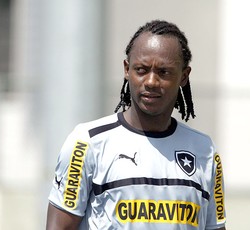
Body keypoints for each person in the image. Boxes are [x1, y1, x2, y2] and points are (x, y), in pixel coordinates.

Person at [46, 20, 226, 230]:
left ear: (184, 76)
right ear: (126, 69)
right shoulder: (87, 143)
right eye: (141, 69)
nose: (151, 81)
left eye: (164, 72)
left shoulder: (204, 150)